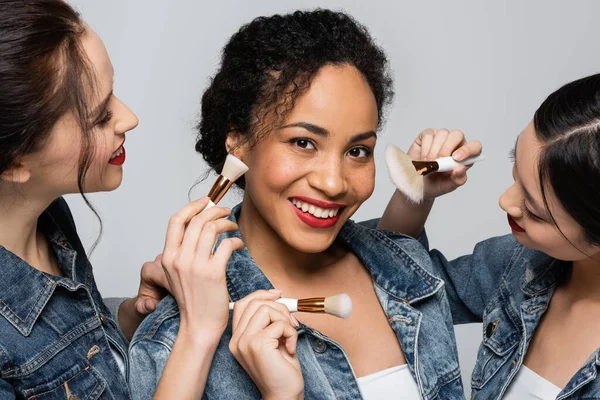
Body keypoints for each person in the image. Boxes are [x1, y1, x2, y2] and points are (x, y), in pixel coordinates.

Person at [129, 9, 482, 400]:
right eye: (303, 143)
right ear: (239, 145)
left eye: (358, 150)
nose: (333, 183)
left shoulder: (409, 274)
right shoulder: (172, 343)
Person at [0, 1, 241, 398]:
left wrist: (128, 320)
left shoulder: (47, 216)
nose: (129, 118)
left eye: (114, 95)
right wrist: (198, 332)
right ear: (14, 161)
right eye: (99, 116)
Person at [381, 73, 600, 399]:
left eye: (535, 210)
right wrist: (415, 193)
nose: (506, 202)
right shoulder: (518, 266)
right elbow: (394, 287)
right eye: (515, 171)